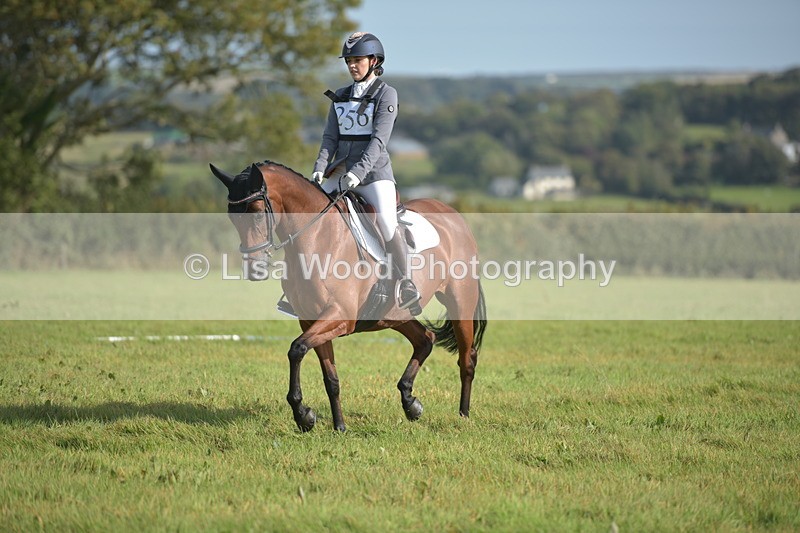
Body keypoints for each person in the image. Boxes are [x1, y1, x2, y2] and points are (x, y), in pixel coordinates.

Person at [311, 32, 421, 313]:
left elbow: (378, 142)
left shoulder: (387, 94)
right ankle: (304, 285)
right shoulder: (341, 96)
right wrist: (320, 168)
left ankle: (407, 283)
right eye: (349, 61)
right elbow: (329, 139)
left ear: (374, 61)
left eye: (357, 60)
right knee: (311, 215)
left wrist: (358, 173)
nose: (352, 66)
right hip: (339, 172)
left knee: (385, 221)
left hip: (374, 175)